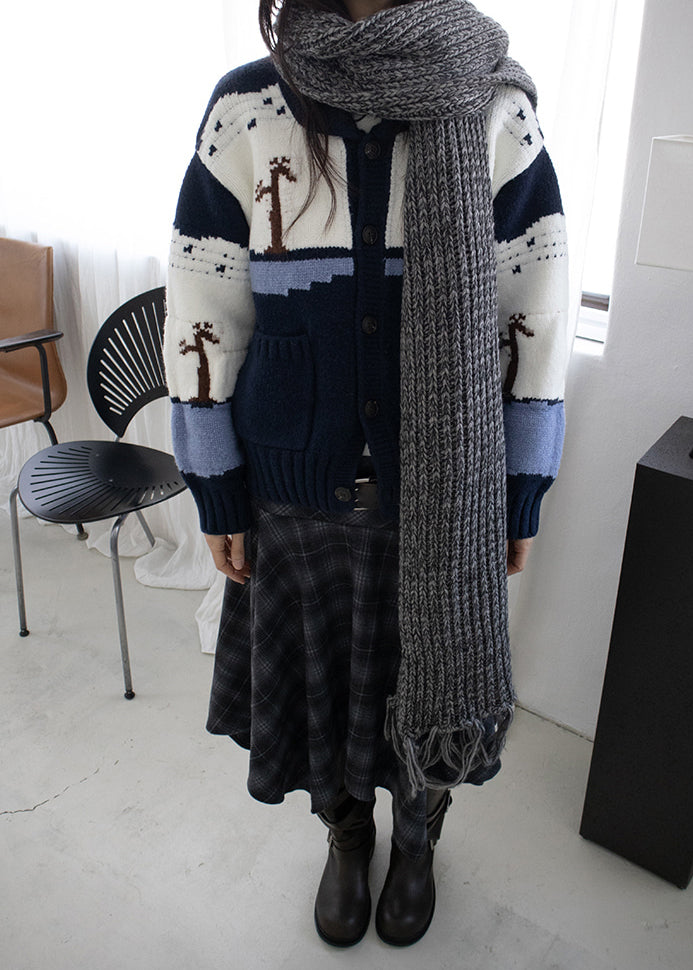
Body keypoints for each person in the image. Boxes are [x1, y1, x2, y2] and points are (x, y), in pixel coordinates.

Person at [164, 0, 568, 948]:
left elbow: (535, 305)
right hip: (294, 485)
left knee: (434, 672)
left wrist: (521, 486)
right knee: (324, 689)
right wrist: (214, 479)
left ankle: (417, 837)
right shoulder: (249, 104)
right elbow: (203, 299)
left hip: (446, 489)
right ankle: (346, 834)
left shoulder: (492, 107)